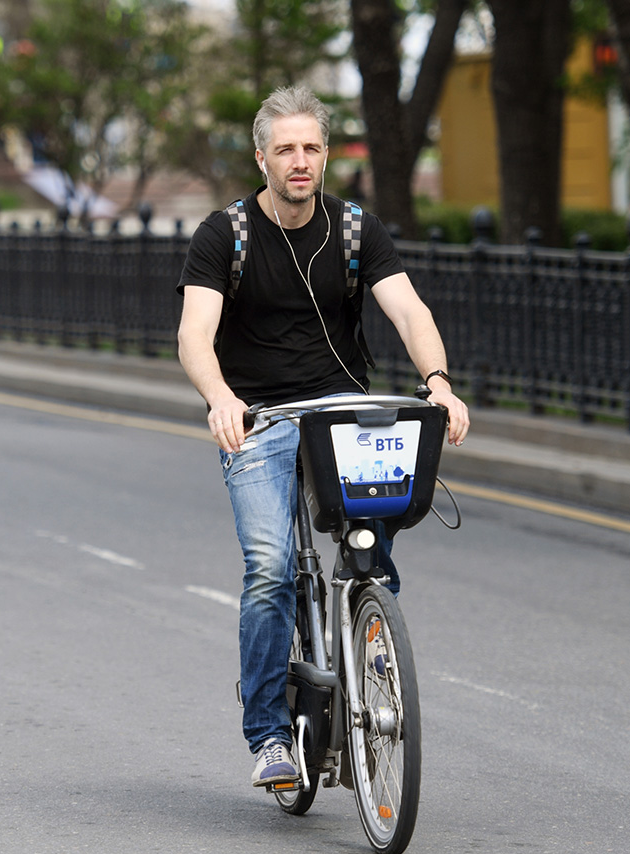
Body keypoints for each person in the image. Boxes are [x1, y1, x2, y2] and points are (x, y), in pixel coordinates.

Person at [175, 85, 470, 788]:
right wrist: (221, 398)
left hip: (343, 416)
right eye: (286, 150)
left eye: (311, 148)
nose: (300, 161)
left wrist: (438, 381)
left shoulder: (357, 230)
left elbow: (408, 307)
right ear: (262, 157)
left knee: (369, 547)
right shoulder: (227, 235)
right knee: (272, 567)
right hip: (261, 420)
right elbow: (193, 335)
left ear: (326, 154)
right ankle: (270, 734)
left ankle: (370, 643)